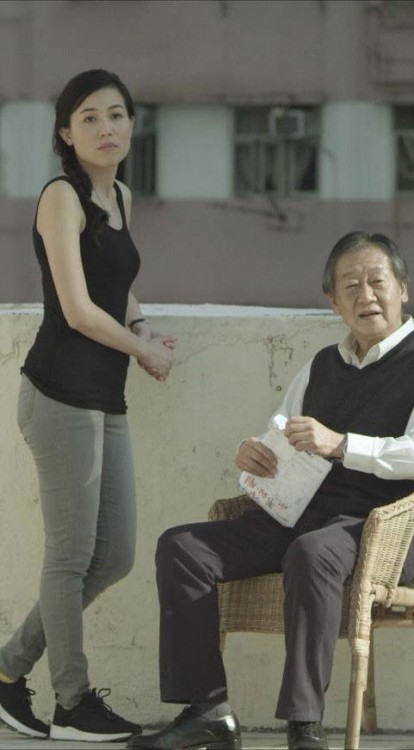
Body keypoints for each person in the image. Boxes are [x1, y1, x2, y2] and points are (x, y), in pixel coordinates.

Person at [128, 231, 414, 750]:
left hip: (386, 527)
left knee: (312, 553)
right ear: (333, 302)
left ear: (403, 289)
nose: (365, 295)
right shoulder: (321, 365)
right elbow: (283, 433)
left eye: (377, 282)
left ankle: (304, 726)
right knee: (182, 548)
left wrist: (344, 445)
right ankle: (207, 711)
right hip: (300, 514)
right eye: (350, 286)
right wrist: (255, 453)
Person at [0, 69, 176, 743]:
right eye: (90, 117)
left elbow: (114, 282)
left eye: (117, 114)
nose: (107, 128)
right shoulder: (61, 197)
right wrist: (144, 353)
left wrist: (142, 325)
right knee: (71, 557)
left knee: (115, 556)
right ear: (66, 134)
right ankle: (71, 702)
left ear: (132, 124)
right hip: (58, 394)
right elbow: (76, 308)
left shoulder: (119, 195)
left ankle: (7, 668)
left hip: (105, 397)